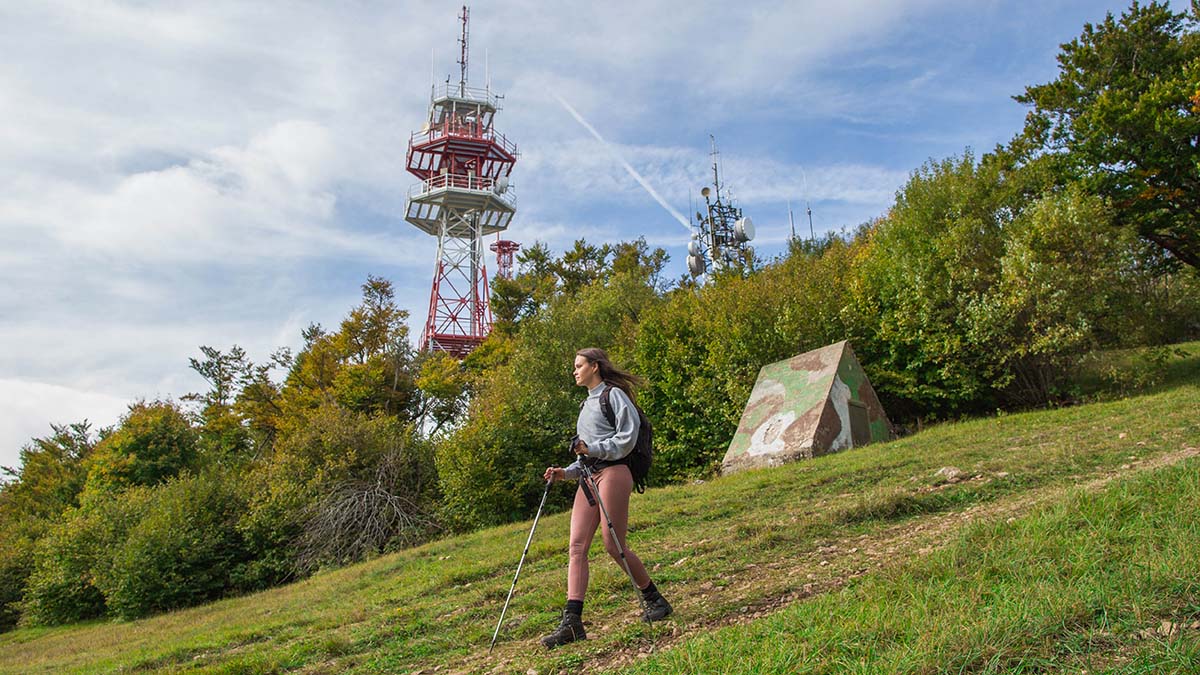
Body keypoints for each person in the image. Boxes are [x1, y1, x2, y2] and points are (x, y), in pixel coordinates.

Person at [539, 347, 672, 649]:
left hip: (614, 473)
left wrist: (591, 449)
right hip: (588, 478)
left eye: (578, 365)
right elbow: (585, 454)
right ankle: (572, 622)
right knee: (576, 546)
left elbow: (627, 438)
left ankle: (654, 599)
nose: (574, 371)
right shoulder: (585, 405)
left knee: (613, 544)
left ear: (594, 367)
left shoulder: (612, 396)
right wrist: (565, 473)